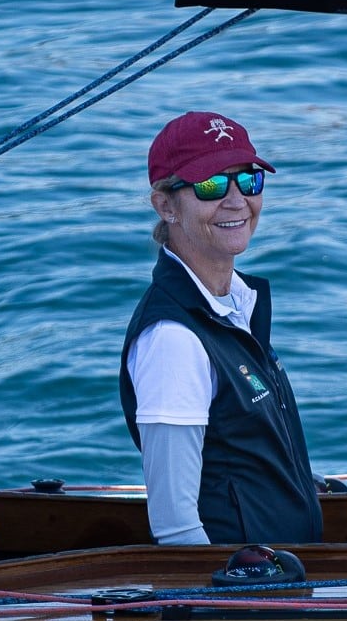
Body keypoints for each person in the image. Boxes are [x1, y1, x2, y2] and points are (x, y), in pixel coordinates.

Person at [119, 111, 327, 547]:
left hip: (282, 580)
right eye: (211, 185)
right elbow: (175, 527)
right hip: (245, 599)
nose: (236, 201)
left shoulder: (234, 305)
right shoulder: (173, 340)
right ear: (165, 205)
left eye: (247, 180)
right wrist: (233, 608)